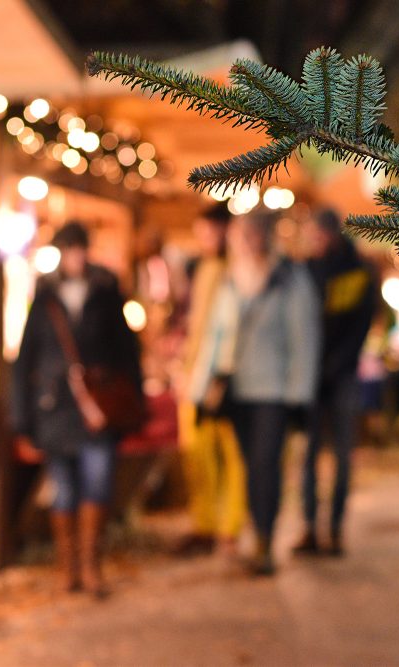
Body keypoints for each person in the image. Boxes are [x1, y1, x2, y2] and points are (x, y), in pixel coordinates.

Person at [11, 221, 143, 597]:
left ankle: (90, 566)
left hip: (97, 410)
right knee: (64, 490)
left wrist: (133, 403)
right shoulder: (45, 300)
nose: (76, 256)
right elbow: (25, 362)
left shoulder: (106, 293)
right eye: (70, 249)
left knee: (97, 485)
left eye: (80, 248)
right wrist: (22, 419)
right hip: (55, 410)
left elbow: (127, 353)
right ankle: (67, 567)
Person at [199, 210, 320, 575]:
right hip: (237, 389)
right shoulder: (231, 280)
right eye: (241, 236)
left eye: (252, 236)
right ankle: (258, 531)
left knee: (267, 464)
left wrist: (300, 395)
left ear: (265, 238)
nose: (246, 243)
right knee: (250, 465)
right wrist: (203, 389)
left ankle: (266, 539)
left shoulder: (290, 279)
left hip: (274, 391)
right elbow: (215, 336)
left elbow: (304, 339)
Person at [294, 209, 377, 556]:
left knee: (342, 455)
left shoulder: (359, 272)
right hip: (310, 377)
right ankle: (310, 528)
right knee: (308, 455)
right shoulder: (306, 271)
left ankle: (336, 529)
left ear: (329, 233)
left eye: (317, 234)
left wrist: (336, 364)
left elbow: (360, 326)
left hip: (341, 376)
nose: (313, 241)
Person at [174, 203, 248, 559]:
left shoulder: (237, 271)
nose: (204, 239)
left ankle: (228, 528)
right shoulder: (203, 268)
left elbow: (227, 332)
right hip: (196, 373)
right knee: (197, 451)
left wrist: (218, 375)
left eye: (210, 231)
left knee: (231, 453)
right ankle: (205, 523)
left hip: (225, 376)